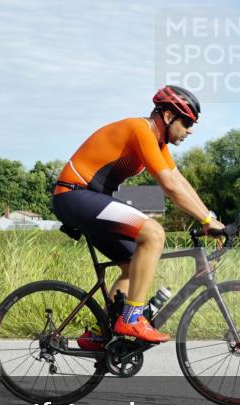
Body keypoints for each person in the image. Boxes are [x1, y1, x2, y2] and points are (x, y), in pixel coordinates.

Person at [51, 85, 224, 345]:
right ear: (167, 116)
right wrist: (207, 221)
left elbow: (180, 180)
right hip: (74, 195)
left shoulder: (158, 141)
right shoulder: (140, 130)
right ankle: (130, 318)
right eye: (187, 122)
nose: (190, 130)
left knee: (135, 264)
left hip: (92, 199)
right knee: (154, 233)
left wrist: (209, 217)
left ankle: (103, 335)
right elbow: (169, 186)